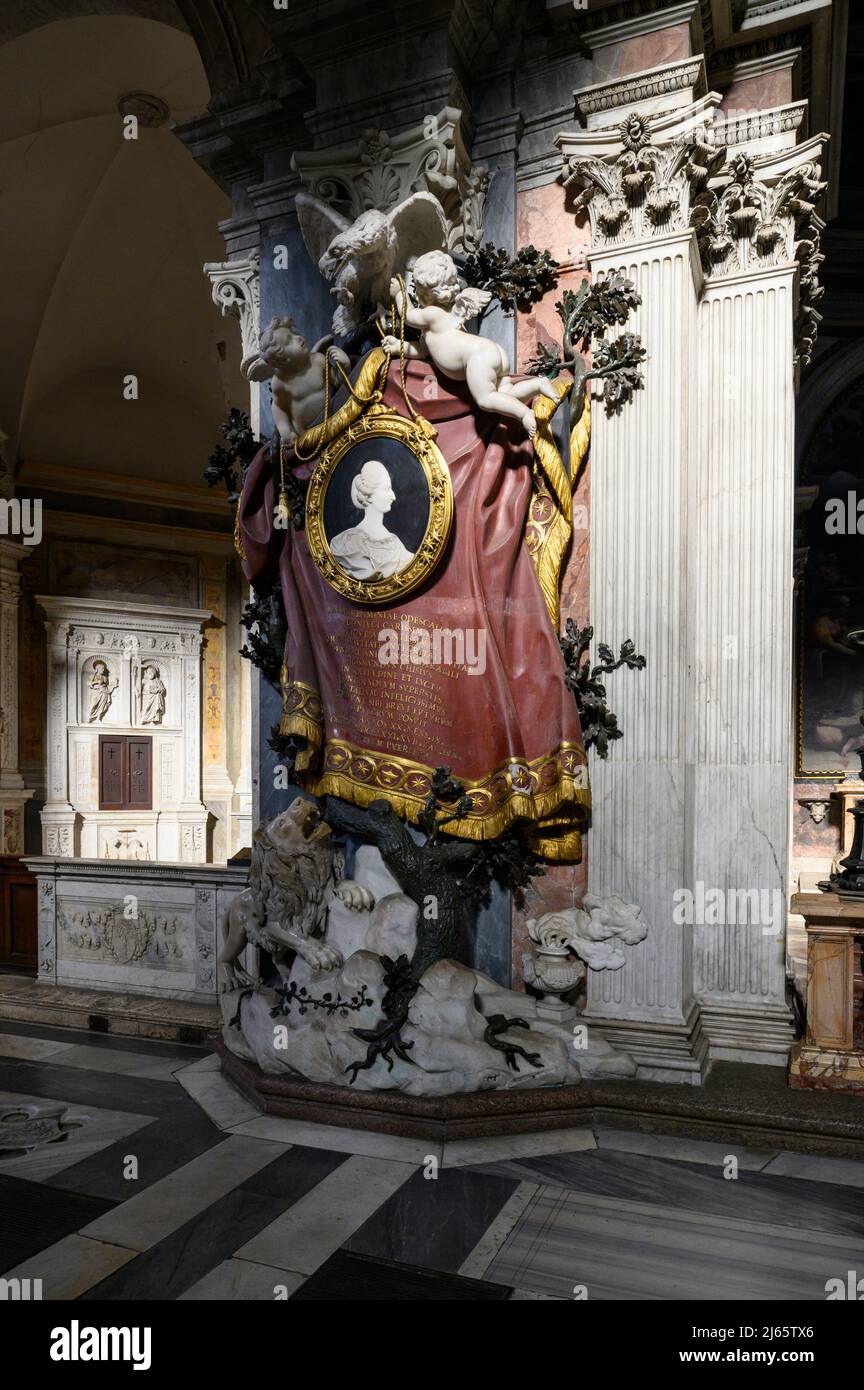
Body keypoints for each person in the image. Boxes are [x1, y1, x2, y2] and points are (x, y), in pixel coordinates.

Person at [330, 459, 414, 580]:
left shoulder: (395, 545)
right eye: (386, 489)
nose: (393, 496)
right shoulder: (345, 543)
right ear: (369, 494)